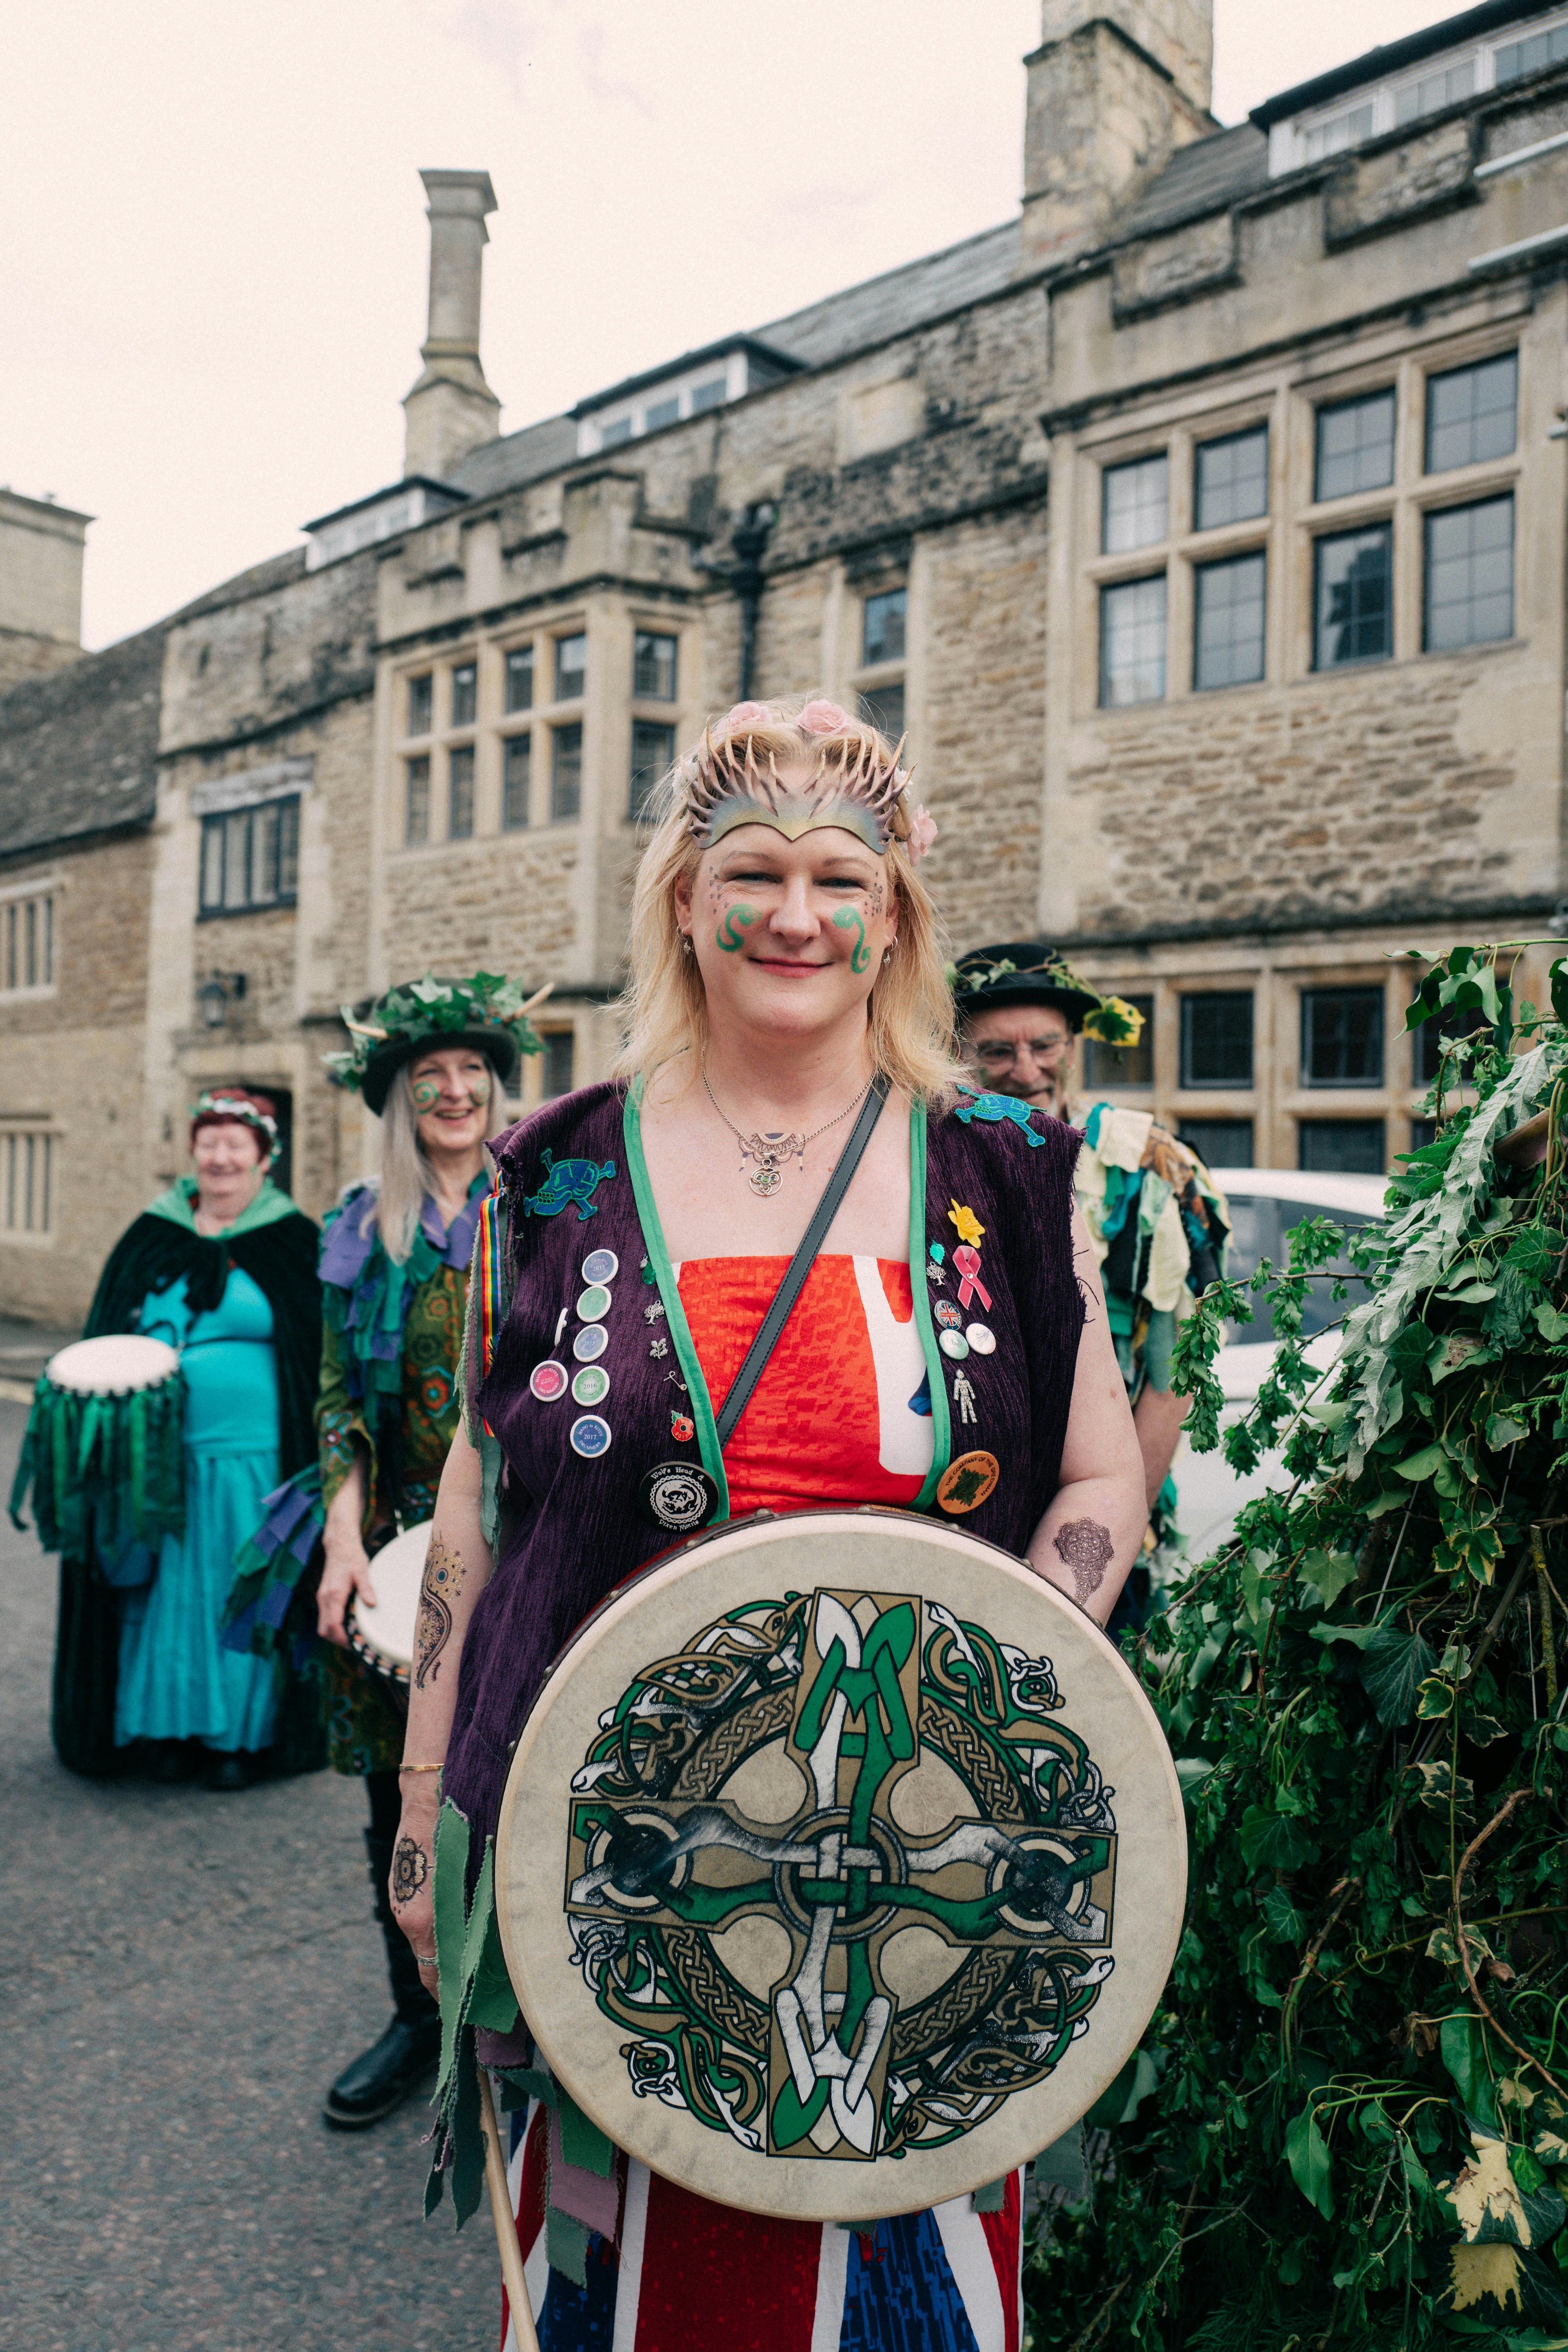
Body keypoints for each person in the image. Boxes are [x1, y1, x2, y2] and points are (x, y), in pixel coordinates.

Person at [388, 701, 1145, 2347]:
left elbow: (1100, 1480)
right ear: (684, 900)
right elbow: (473, 1494)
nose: (796, 915)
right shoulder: (551, 1170)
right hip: (614, 1860)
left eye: (838, 879)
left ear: (893, 915)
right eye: (754, 873)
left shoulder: (1007, 1165)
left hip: (916, 1873)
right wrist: (422, 1796)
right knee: (624, 2288)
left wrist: (1006, 1700)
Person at [225, 975, 541, 2131]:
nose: (455, 1092)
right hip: (396, 1552)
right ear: (401, 1101)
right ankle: (418, 2017)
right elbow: (336, 1402)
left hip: (525, 1539)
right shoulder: (363, 1228)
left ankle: (524, 2013)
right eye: (430, 1078)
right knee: (393, 1797)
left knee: (522, 1782)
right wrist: (343, 1547)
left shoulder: (546, 1207)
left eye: (473, 1074)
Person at [47, 1089, 323, 1787]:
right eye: (209, 1143)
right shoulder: (155, 1232)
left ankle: (237, 1740)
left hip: (254, 1458)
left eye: (236, 1144)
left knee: (238, 1591)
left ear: (265, 1158)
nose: (220, 1157)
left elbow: (319, 1351)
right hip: (157, 1456)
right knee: (158, 1590)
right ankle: (163, 1728)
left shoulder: (292, 1240)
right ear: (194, 1151)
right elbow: (109, 1327)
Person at [950, 946, 1228, 1587]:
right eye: (997, 1051)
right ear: (958, 1051)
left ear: (1073, 1046)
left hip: (1101, 1525)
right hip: (966, 1528)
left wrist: (1115, 1531)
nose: (1026, 1071)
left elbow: (1176, 1369)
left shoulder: (1147, 1164)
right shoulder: (928, 1160)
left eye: (1045, 1046)